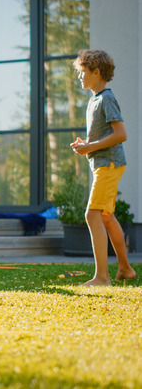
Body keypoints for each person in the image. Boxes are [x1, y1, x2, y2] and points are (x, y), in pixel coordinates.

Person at [70, 49, 136, 286]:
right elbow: (107, 134)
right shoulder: (95, 99)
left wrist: (91, 147)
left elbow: (121, 134)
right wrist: (88, 145)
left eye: (82, 72)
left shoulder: (106, 98)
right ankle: (125, 269)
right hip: (105, 162)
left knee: (92, 215)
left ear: (96, 72)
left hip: (109, 163)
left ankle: (101, 277)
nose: (79, 77)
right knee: (107, 217)